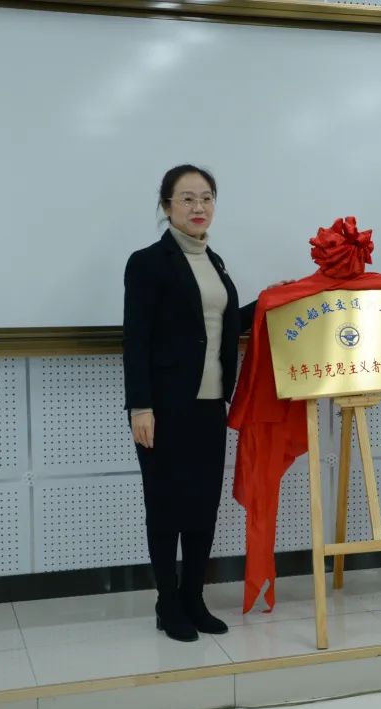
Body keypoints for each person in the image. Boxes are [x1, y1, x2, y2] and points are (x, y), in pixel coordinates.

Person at [122, 164, 255, 641]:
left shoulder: (214, 261)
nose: (199, 207)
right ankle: (167, 602)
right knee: (165, 507)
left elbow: (222, 324)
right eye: (187, 199)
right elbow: (136, 339)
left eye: (207, 198)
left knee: (203, 506)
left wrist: (272, 300)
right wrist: (140, 406)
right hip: (163, 409)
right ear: (167, 206)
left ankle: (194, 597)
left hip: (209, 405)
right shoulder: (148, 262)